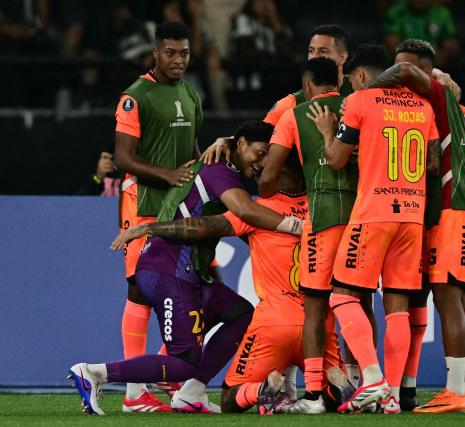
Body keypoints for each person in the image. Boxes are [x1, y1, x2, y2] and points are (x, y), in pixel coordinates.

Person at [69, 121, 303, 416]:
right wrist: (297, 226)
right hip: (169, 271)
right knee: (183, 361)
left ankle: (191, 393)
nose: (264, 162)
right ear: (241, 144)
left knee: (241, 315)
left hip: (190, 273)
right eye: (260, 153)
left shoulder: (223, 161)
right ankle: (93, 373)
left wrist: (227, 137)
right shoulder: (220, 170)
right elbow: (244, 210)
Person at [366, 38, 465, 413]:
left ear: (426, 72)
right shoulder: (450, 108)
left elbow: (401, 72)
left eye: (410, 68)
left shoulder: (436, 96)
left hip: (452, 207)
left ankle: (452, 391)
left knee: (449, 299)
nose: (402, 76)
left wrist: (364, 94)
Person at [308, 43, 440, 414]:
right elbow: (431, 165)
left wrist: (327, 131)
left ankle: (372, 378)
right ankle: (393, 396)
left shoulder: (361, 102)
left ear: (362, 76)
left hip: (373, 213)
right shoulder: (424, 106)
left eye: (351, 79)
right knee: (397, 307)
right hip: (412, 215)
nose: (350, 86)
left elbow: (335, 160)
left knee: (342, 295)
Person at [257, 57, 359, 413]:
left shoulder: (295, 116)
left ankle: (314, 394)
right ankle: (373, 385)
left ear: (309, 84)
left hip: (322, 217)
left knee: (315, 308)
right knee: (359, 303)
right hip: (362, 218)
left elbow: (268, 180)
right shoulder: (356, 106)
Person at [112, 21, 204, 412]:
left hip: (181, 208)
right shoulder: (135, 97)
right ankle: (134, 392)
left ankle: (165, 374)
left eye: (184, 52)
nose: (178, 59)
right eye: (171, 52)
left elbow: (195, 150)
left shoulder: (190, 93)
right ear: (155, 52)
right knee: (142, 291)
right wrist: (168, 175)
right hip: (146, 204)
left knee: (188, 291)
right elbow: (123, 158)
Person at [383, 0, 459, 66]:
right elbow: (393, 47)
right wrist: (422, 60)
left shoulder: (442, 13)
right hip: (402, 69)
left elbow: (452, 47)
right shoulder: (396, 12)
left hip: (435, 68)